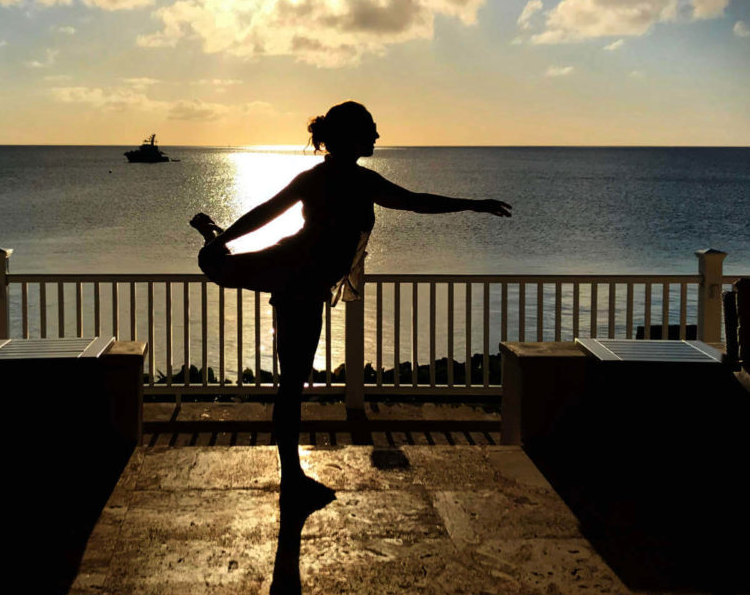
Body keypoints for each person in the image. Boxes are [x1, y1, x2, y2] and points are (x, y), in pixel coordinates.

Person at [191, 101, 511, 509]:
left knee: (292, 381)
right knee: (291, 383)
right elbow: (265, 213)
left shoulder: (355, 180)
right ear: (351, 136)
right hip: (295, 277)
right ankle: (291, 479)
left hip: (298, 276)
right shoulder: (342, 180)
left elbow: (415, 201)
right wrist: (225, 239)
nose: (377, 137)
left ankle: (212, 239)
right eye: (371, 130)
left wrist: (472, 204)